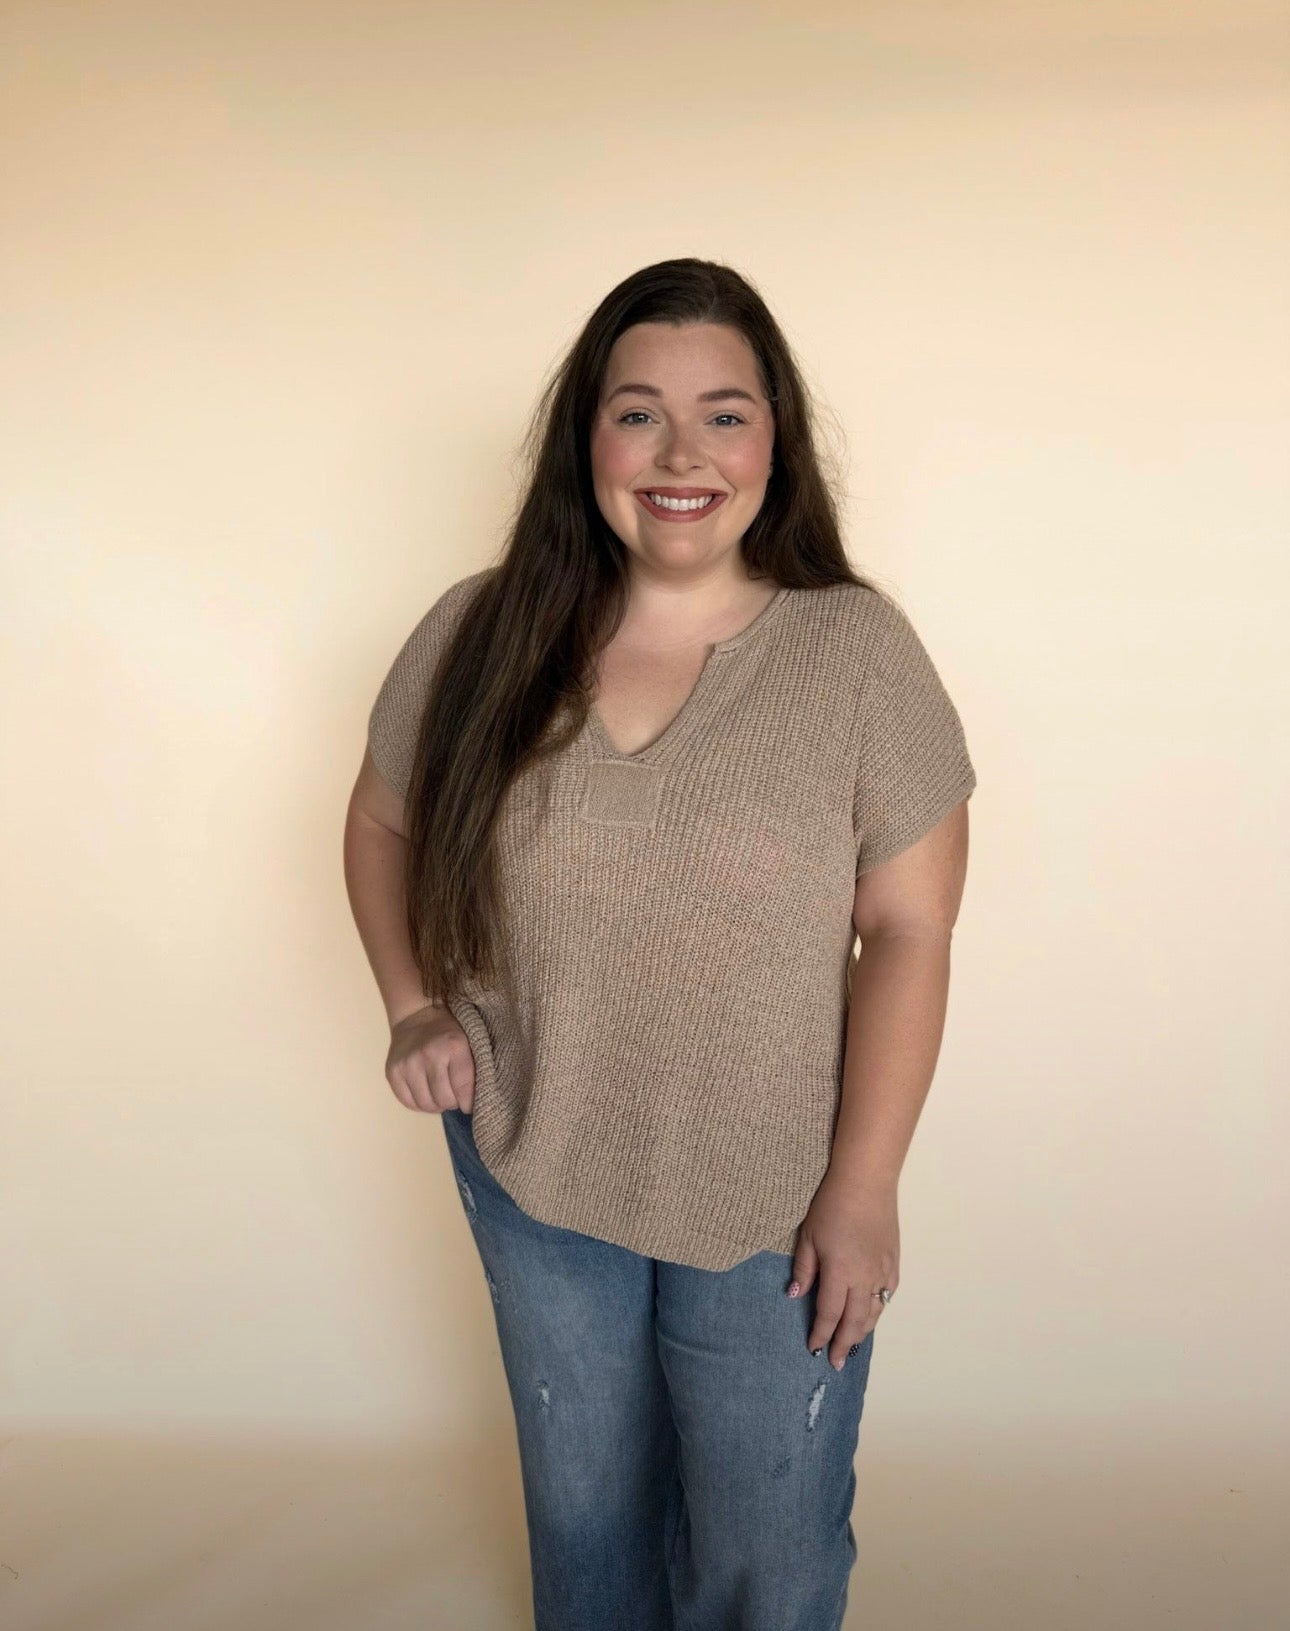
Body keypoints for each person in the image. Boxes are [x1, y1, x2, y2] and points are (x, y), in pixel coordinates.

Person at [344, 257, 977, 1631]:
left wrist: (862, 1188)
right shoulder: (477, 631)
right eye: (637, 413)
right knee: (586, 1527)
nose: (681, 452)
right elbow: (384, 823)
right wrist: (411, 1006)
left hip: (773, 1196)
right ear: (586, 440)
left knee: (771, 1544)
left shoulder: (856, 654)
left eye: (725, 414)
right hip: (530, 1154)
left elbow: (912, 928)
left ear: (776, 442)